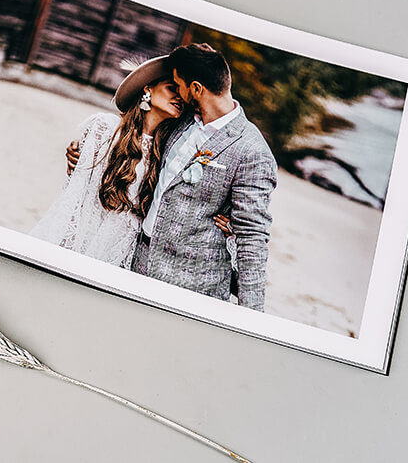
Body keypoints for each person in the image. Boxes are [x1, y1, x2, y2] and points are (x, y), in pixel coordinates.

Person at [32, 56, 229, 268]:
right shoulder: (104, 128)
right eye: (171, 88)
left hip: (118, 258)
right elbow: (74, 202)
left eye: (181, 92)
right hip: (78, 245)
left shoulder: (169, 153)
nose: (179, 97)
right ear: (148, 89)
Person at [130, 43, 277, 311]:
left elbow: (253, 237)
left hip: (193, 285)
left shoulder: (252, 151)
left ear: (196, 88)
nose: (177, 93)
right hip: (138, 264)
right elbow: (140, 128)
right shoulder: (180, 118)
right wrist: (91, 145)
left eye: (179, 86)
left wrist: (252, 315)